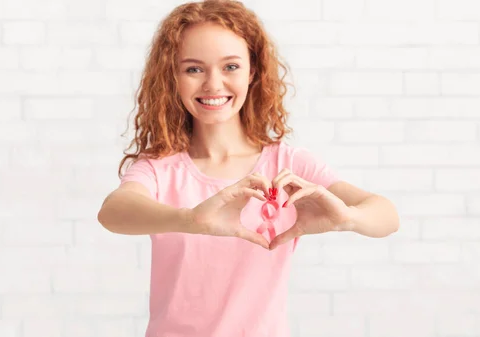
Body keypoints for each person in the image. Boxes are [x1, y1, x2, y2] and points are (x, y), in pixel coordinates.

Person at [97, 0, 400, 336]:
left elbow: (386, 215)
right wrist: (190, 220)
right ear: (173, 77)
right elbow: (114, 211)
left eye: (230, 67)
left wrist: (347, 218)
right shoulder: (159, 169)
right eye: (193, 69)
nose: (213, 84)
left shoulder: (287, 165)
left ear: (253, 72)